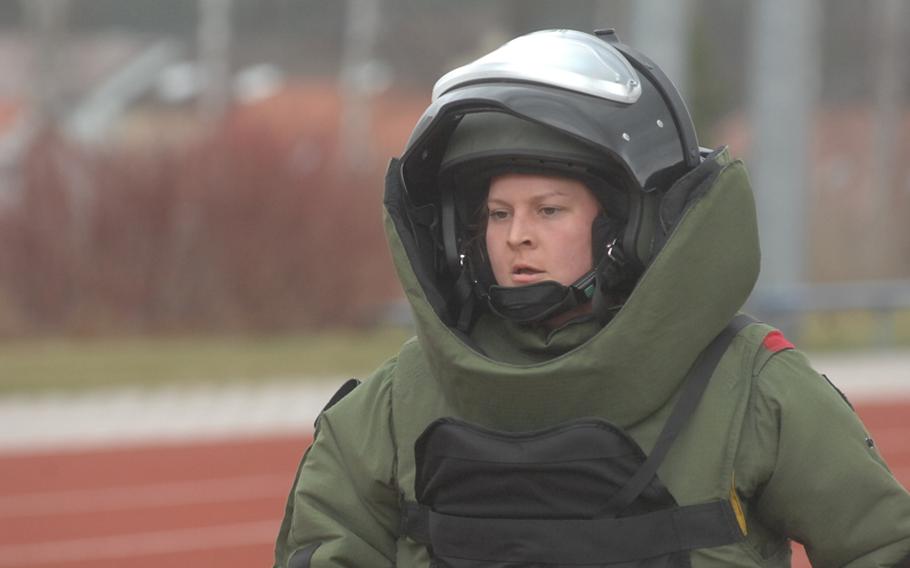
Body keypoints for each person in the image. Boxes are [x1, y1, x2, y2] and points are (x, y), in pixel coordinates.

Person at [274, 28, 910, 567]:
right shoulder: (403, 397)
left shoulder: (746, 388)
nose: (517, 236)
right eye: (497, 214)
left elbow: (882, 543)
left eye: (549, 210)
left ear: (629, 227)